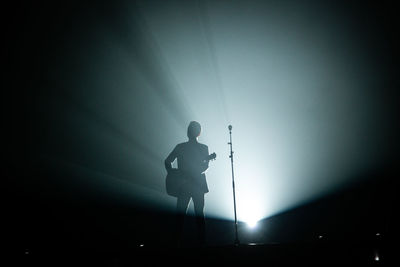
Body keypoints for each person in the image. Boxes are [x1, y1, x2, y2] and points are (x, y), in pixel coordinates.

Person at [164, 121, 210, 246]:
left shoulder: (180, 147)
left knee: (180, 215)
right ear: (199, 132)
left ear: (188, 132)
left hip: (183, 185)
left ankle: (175, 243)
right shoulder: (204, 148)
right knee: (199, 214)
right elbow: (205, 166)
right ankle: (202, 244)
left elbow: (167, 162)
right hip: (197, 184)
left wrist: (174, 174)